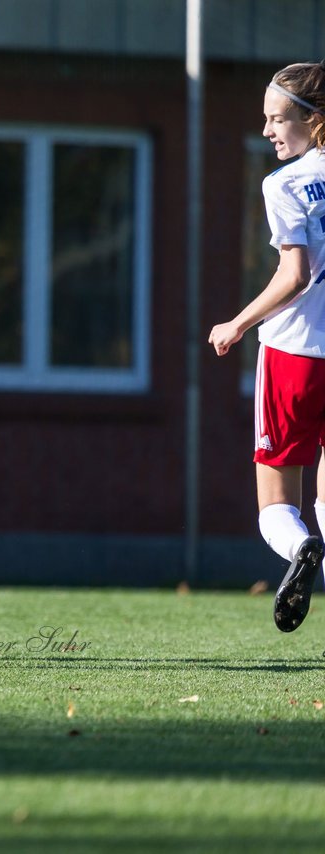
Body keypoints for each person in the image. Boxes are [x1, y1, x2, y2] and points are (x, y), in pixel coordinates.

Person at [210, 60, 325, 633]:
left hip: (294, 355)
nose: (267, 131)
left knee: (278, 507)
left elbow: (295, 275)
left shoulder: (283, 184)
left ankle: (300, 551)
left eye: (278, 119)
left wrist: (236, 323)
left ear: (315, 120)